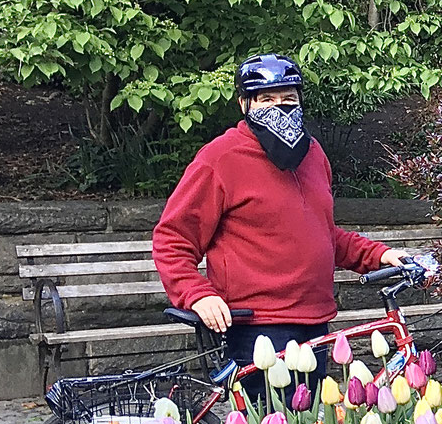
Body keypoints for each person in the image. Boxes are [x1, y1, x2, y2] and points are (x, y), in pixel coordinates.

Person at [152, 54, 408, 369]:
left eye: (288, 98)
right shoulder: (220, 158)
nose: (280, 107)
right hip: (257, 327)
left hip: (315, 319)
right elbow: (172, 238)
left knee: (314, 415)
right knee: (269, 418)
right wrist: (197, 294)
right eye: (266, 99)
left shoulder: (312, 153)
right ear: (244, 105)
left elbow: (321, 232)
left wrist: (380, 255)